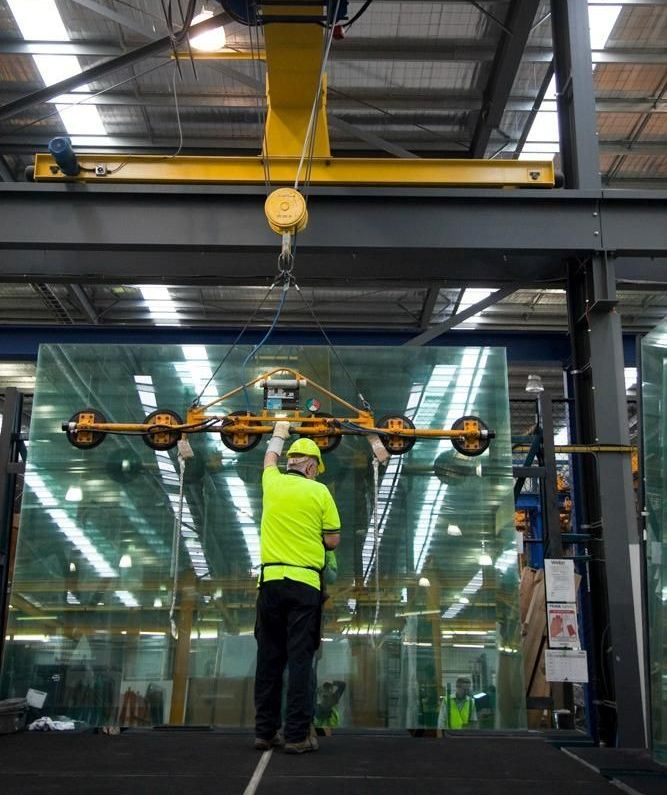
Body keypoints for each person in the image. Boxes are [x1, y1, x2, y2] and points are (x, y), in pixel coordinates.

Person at [254, 422, 341, 755]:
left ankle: (265, 732)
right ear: (311, 466)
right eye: (316, 468)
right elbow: (332, 540)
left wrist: (279, 432)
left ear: (290, 461)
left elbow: (268, 459)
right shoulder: (320, 492)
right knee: (300, 660)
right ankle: (295, 736)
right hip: (304, 586)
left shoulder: (272, 482)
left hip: (270, 583)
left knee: (269, 658)